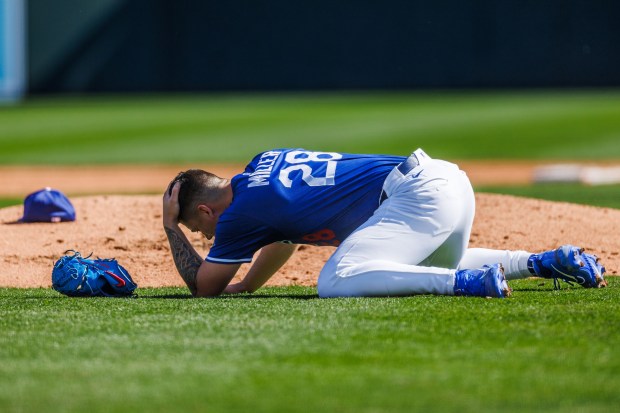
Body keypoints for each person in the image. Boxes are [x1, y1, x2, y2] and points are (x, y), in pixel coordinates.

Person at [162, 148, 607, 298]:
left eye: (201, 230)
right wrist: (250, 286)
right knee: (419, 261)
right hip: (445, 181)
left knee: (335, 280)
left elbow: (204, 287)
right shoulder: (261, 164)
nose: (209, 237)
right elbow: (284, 238)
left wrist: (169, 228)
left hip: (415, 198)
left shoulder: (238, 215)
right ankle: (542, 262)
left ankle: (465, 284)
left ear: (205, 210)